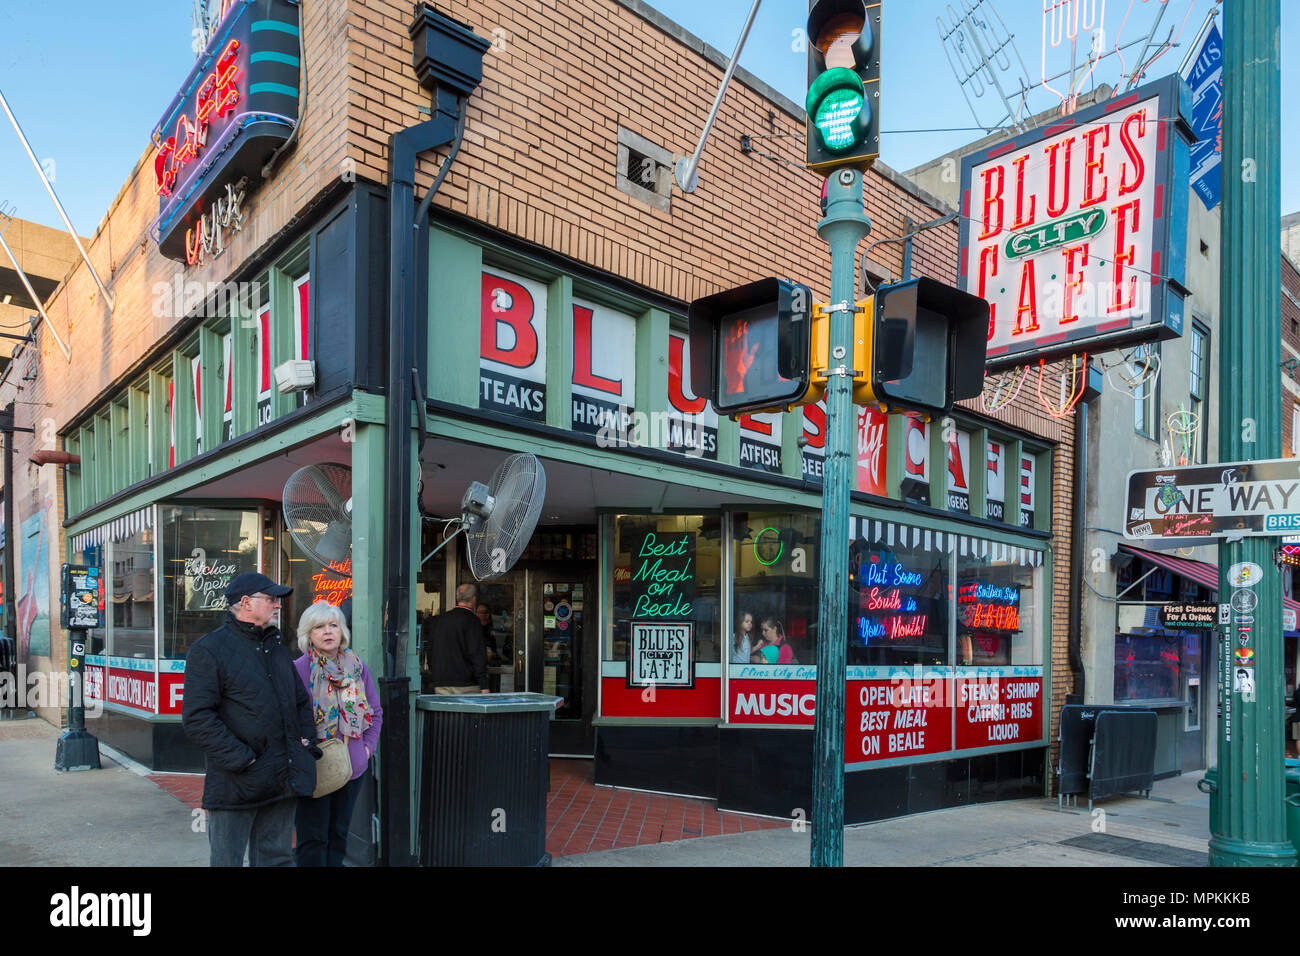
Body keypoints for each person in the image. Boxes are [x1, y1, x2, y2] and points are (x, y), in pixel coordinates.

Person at [182, 573, 316, 867]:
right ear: (245, 603)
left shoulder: (277, 649)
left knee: (278, 860)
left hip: (281, 781)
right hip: (235, 784)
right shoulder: (209, 650)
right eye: (270, 599)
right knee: (227, 861)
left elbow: (300, 703)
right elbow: (197, 718)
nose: (277, 606)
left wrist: (304, 742)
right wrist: (245, 760)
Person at [293, 601, 383, 867]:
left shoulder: (356, 667)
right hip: (314, 765)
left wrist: (366, 750)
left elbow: (375, 712)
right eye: (319, 627)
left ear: (342, 631)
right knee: (313, 836)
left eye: (333, 625)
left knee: (339, 834)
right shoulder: (298, 669)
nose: (328, 631)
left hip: (350, 766)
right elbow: (288, 716)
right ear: (308, 634)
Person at [427, 583, 491, 694]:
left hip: (441, 684)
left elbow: (430, 650)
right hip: (466, 685)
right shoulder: (472, 621)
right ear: (473, 599)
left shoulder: (439, 620)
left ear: (457, 598)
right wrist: (483, 684)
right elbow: (477, 653)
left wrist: (436, 675)